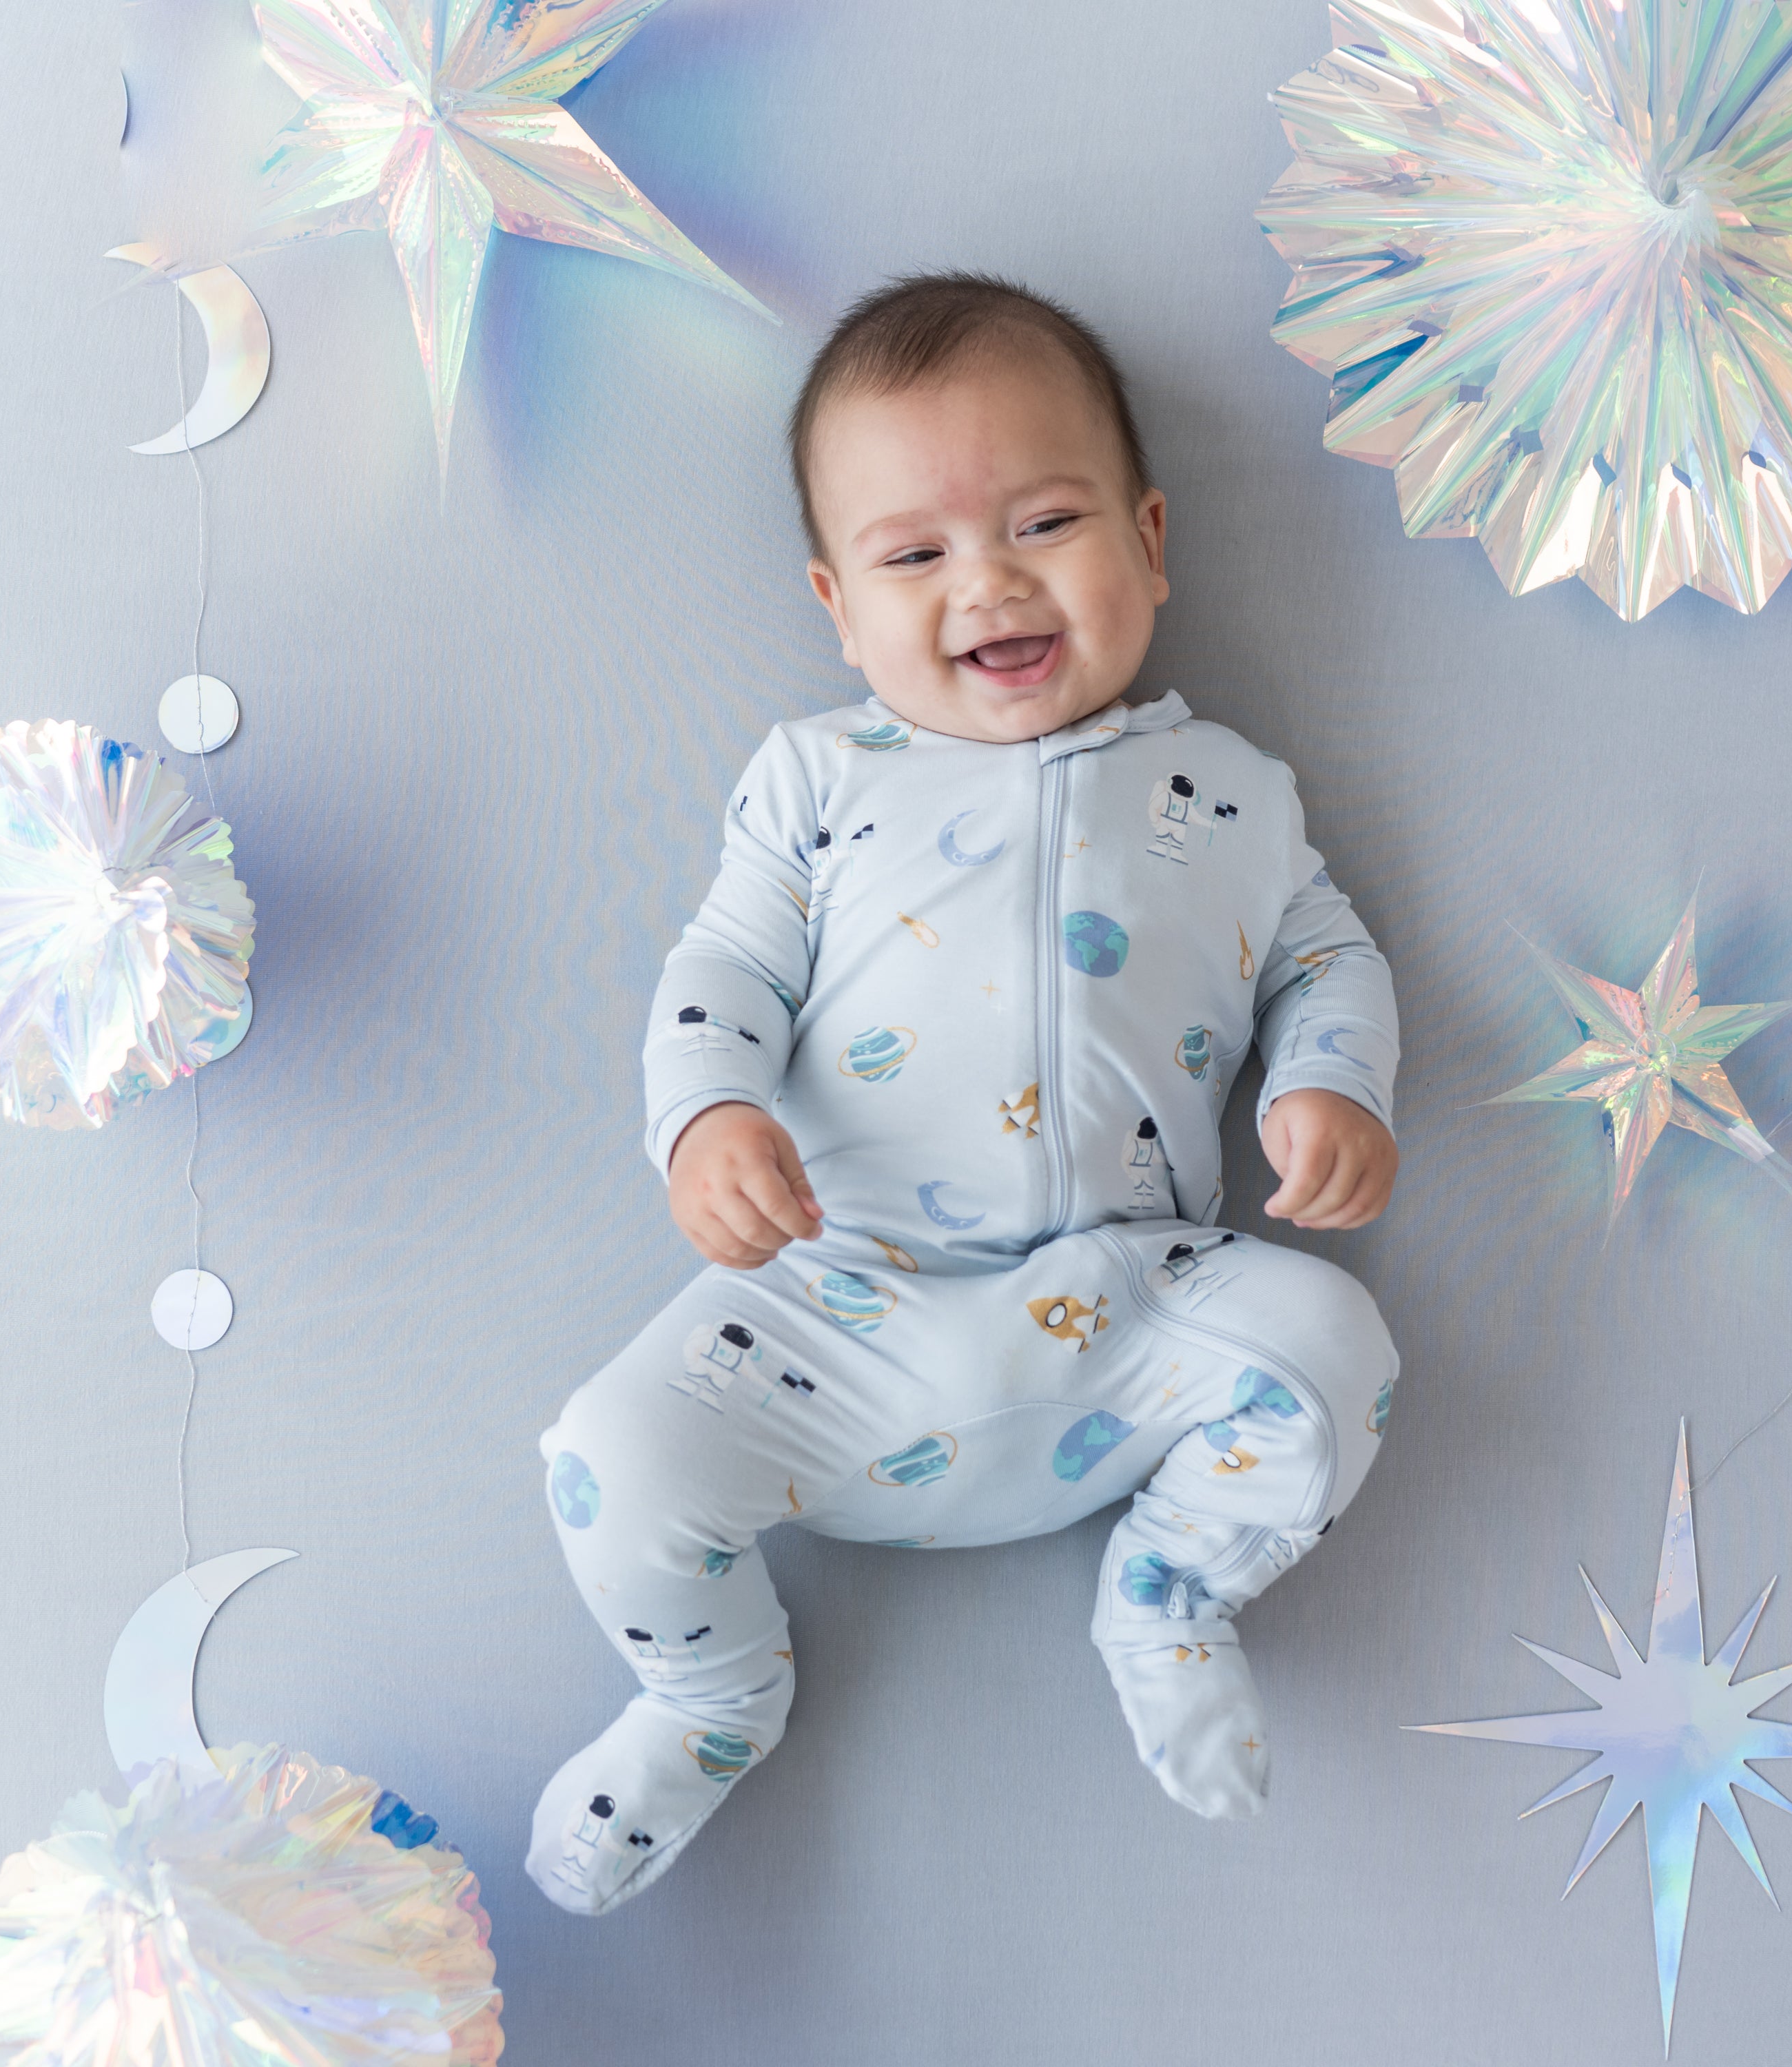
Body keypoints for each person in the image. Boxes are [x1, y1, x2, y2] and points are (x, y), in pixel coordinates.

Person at [527, 272, 1402, 1915]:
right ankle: (713, 1701)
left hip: (1131, 1308)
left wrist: (1330, 1086)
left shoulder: (1229, 789)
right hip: (834, 1315)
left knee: (1335, 1345)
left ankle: (1168, 1593)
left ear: (1150, 540)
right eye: (914, 555)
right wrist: (708, 1117)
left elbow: (1326, 957)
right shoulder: (818, 779)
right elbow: (721, 970)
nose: (987, 581)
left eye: (1045, 521)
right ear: (837, 606)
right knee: (611, 1452)